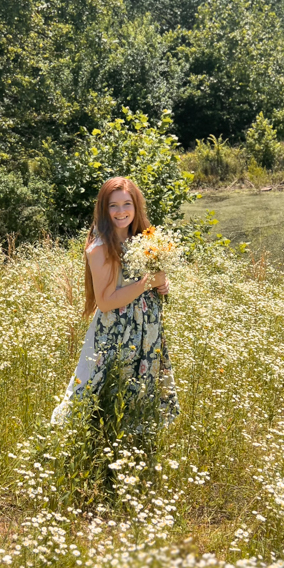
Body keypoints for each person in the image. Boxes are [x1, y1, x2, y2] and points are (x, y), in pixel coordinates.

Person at [51, 176, 179, 426]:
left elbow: (154, 278)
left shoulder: (144, 238)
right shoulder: (100, 247)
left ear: (136, 205)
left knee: (142, 387)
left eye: (127, 204)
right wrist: (148, 282)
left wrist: (163, 284)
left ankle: (136, 431)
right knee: (102, 387)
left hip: (147, 327)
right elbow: (106, 302)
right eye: (113, 205)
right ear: (103, 208)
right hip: (117, 331)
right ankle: (92, 438)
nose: (121, 212)